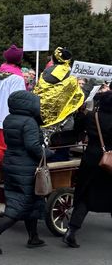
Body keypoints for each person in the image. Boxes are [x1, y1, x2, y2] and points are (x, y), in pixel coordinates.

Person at [0, 90, 49, 254]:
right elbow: (33, 146)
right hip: (25, 165)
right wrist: (47, 154)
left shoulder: (9, 119)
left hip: (11, 161)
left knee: (29, 200)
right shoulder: (29, 122)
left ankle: (33, 237)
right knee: (22, 203)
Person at [63, 90, 112, 247]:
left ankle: (72, 230)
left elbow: (76, 132)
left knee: (85, 193)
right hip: (110, 158)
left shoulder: (91, 116)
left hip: (90, 158)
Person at [33, 46, 84, 128]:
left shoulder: (45, 72)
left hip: (41, 116)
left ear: (53, 59)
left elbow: (37, 92)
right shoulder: (71, 76)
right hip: (64, 118)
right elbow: (76, 96)